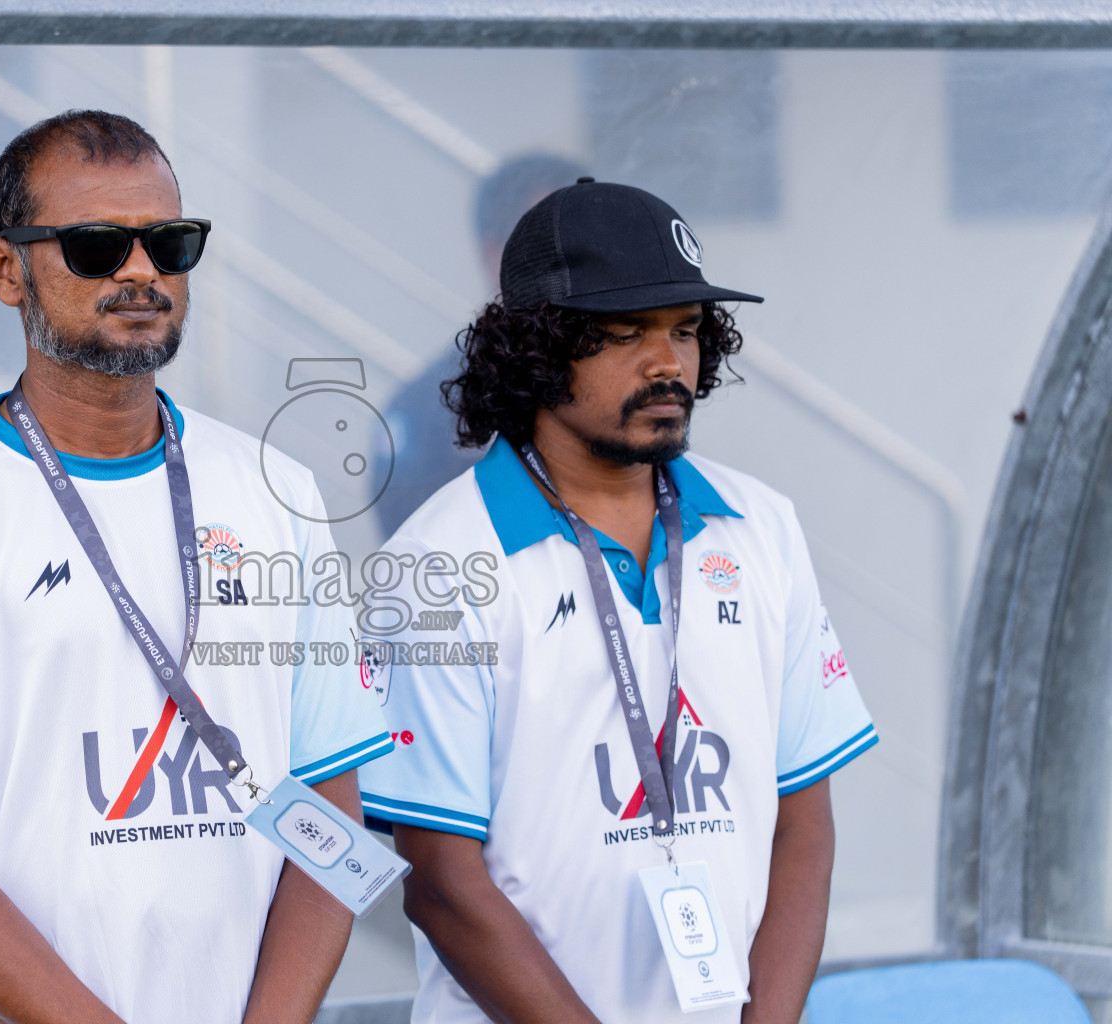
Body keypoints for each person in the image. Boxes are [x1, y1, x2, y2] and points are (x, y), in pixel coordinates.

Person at [0, 109, 392, 1024]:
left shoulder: (278, 490)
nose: (142, 271)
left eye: (169, 242)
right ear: (6, 269)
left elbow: (332, 817)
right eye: (95, 246)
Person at [357, 180, 877, 1024]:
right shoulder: (436, 563)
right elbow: (442, 883)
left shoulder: (762, 528)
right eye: (623, 334)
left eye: (684, 329)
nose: (667, 363)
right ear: (535, 349)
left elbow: (803, 826)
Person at [371, 153, 587, 537]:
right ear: (495, 257)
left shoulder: (636, 375)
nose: (578, 264)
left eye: (586, 240)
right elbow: (416, 559)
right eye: (552, 245)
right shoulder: (428, 410)